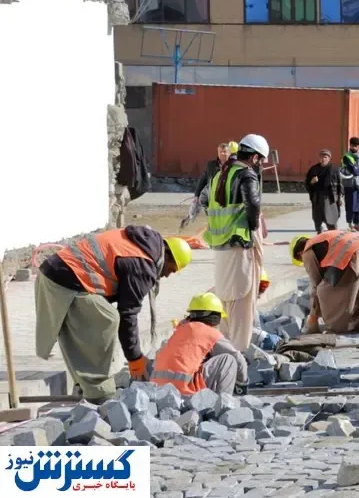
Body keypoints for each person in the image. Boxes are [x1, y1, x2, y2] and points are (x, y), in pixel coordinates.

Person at [34, 227, 192, 403]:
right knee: (105, 319)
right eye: (172, 269)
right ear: (168, 256)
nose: (168, 275)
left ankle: (85, 386)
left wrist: (134, 354)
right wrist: (135, 359)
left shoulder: (143, 247)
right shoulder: (142, 264)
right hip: (64, 280)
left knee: (95, 321)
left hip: (62, 274)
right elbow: (128, 315)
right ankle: (100, 395)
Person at [203, 133, 269, 351]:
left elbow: (206, 202)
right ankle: (238, 353)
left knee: (224, 299)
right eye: (261, 160)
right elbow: (252, 204)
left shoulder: (221, 173)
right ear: (255, 158)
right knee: (242, 302)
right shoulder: (246, 175)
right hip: (240, 244)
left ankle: (222, 347)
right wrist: (253, 227)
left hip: (220, 245)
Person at [150, 293, 249, 396]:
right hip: (186, 390)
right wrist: (242, 385)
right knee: (228, 360)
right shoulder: (210, 333)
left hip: (160, 391)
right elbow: (238, 359)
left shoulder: (179, 330)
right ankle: (224, 403)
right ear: (215, 317)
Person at [290, 230, 359, 334]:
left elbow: (315, 285)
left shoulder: (307, 250)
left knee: (323, 291)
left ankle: (336, 329)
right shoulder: (324, 239)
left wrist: (313, 316)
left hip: (353, 255)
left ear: (299, 253)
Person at [305, 149, 342, 233]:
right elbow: (307, 183)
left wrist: (340, 197)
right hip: (317, 198)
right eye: (321, 157)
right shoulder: (313, 169)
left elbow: (340, 184)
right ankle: (319, 234)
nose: (323, 159)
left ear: (329, 158)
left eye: (325, 157)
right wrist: (311, 182)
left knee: (332, 220)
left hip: (330, 197)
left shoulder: (334, 169)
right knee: (317, 219)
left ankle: (333, 236)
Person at [341, 137, 359, 231]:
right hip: (350, 185)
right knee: (351, 205)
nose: (354, 147)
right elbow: (354, 171)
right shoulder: (347, 157)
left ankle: (357, 224)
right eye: (352, 145)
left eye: (356, 146)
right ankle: (350, 225)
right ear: (350, 145)